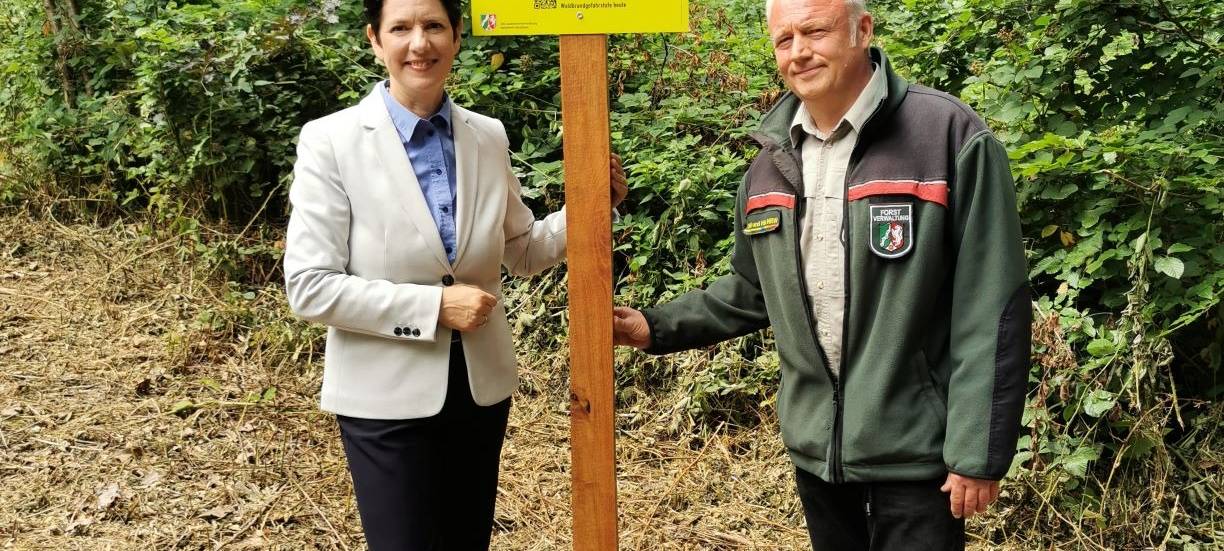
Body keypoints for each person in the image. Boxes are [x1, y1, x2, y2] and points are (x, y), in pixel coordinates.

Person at [612, 0, 1030, 549]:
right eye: (784, 40)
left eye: (814, 31)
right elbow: (752, 290)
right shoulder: (769, 162)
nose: (799, 52)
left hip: (917, 454)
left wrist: (976, 452)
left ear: (863, 29)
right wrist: (655, 326)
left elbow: (992, 304)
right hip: (817, 456)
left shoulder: (948, 135)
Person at [283, 0, 628, 548]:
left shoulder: (486, 136)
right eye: (401, 28)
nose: (419, 43)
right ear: (375, 40)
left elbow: (522, 250)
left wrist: (591, 206)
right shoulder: (333, 140)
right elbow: (310, 286)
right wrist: (434, 308)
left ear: (457, 36)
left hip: (478, 392)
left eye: (434, 26)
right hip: (383, 400)